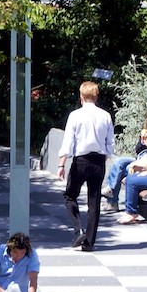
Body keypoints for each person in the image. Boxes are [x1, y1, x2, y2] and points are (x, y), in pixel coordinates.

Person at [57, 80, 115, 251]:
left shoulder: (75, 115)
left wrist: (61, 164)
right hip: (98, 161)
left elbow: (68, 142)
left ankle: (78, 230)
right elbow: (110, 142)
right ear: (96, 96)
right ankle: (89, 243)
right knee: (94, 201)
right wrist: (104, 157)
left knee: (70, 195)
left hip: (81, 161)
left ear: (81, 96)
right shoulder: (105, 115)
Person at [103, 110, 147, 210]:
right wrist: (142, 142)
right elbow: (138, 150)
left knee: (129, 168)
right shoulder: (146, 133)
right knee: (120, 161)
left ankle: (113, 203)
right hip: (141, 157)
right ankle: (111, 189)